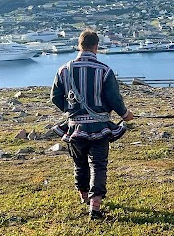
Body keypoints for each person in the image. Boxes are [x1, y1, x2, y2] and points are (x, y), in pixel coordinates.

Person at [50, 29, 134, 220]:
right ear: (96, 46)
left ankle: (83, 196)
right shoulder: (104, 70)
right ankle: (95, 206)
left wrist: (70, 109)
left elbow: (55, 97)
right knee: (98, 165)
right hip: (99, 127)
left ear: (79, 45)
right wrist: (125, 114)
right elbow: (114, 99)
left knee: (79, 164)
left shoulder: (64, 70)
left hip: (74, 127)